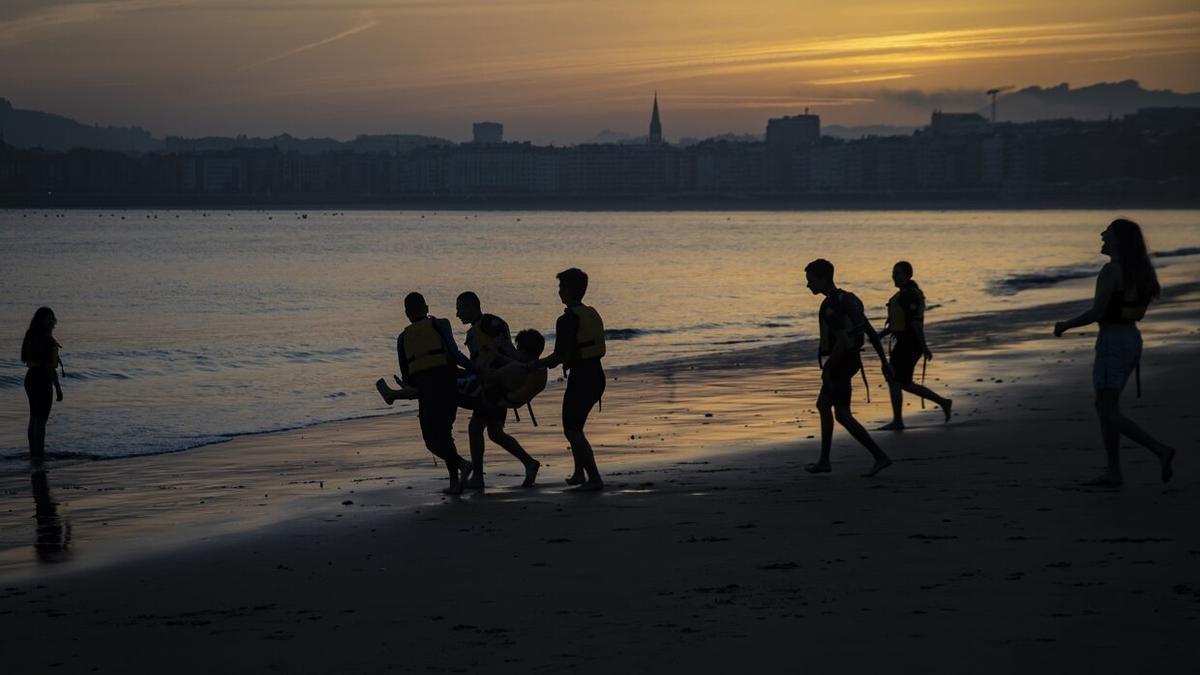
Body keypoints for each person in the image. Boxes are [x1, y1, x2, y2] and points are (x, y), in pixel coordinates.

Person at [1054, 218, 1176, 487]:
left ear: (1118, 240)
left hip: (1112, 342)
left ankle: (1159, 450)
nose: (1102, 235)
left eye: (1107, 232)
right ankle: (1113, 471)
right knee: (1108, 408)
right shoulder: (1140, 271)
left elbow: (1098, 312)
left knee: (1107, 410)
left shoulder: (1111, 271)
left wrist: (1066, 325)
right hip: (1132, 338)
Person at [802, 259, 894, 477]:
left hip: (841, 363)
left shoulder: (831, 306)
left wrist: (828, 369)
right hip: (849, 361)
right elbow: (869, 331)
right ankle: (824, 460)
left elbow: (843, 341)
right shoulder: (850, 298)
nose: (808, 285)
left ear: (823, 279)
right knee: (824, 405)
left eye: (810, 280)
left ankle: (879, 456)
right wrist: (884, 362)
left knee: (842, 414)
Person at [454, 291, 541, 490]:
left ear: (471, 307)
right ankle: (529, 463)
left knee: (476, 429)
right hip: (493, 385)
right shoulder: (479, 327)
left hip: (494, 386)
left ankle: (478, 477)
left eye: (459, 309)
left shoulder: (488, 323)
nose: (457, 314)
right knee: (494, 433)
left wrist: (516, 363)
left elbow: (506, 347)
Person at [395, 292, 477, 495]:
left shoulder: (402, 338)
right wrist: (474, 368)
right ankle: (458, 473)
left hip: (427, 390)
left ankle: (458, 473)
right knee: (444, 434)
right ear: (427, 307)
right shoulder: (441, 324)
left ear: (406, 313)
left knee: (432, 440)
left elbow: (407, 376)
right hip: (447, 384)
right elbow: (455, 354)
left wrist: (406, 389)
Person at [535, 268, 607, 491]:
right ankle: (579, 474)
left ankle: (594, 478)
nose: (558, 292)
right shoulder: (591, 312)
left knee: (572, 430)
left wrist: (532, 365)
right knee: (576, 427)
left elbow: (558, 357)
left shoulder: (566, 319)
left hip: (583, 378)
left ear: (567, 290)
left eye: (560, 287)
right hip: (597, 376)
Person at [878, 261, 952, 430]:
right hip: (904, 343)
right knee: (903, 383)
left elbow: (916, 324)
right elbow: (898, 324)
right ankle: (943, 402)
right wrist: (881, 334)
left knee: (896, 380)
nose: (893, 277)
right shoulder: (904, 294)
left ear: (908, 275)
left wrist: (924, 347)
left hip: (910, 344)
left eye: (897, 273)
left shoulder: (910, 295)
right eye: (893, 273)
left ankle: (898, 421)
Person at [21, 307, 63, 462]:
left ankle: (35, 453)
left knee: (35, 417)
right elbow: (49, 367)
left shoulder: (30, 335)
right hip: (41, 379)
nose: (50, 321)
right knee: (40, 420)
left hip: (31, 379)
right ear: (40, 320)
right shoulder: (45, 338)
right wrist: (58, 388)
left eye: (51, 318)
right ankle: (39, 453)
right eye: (47, 318)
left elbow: (25, 358)